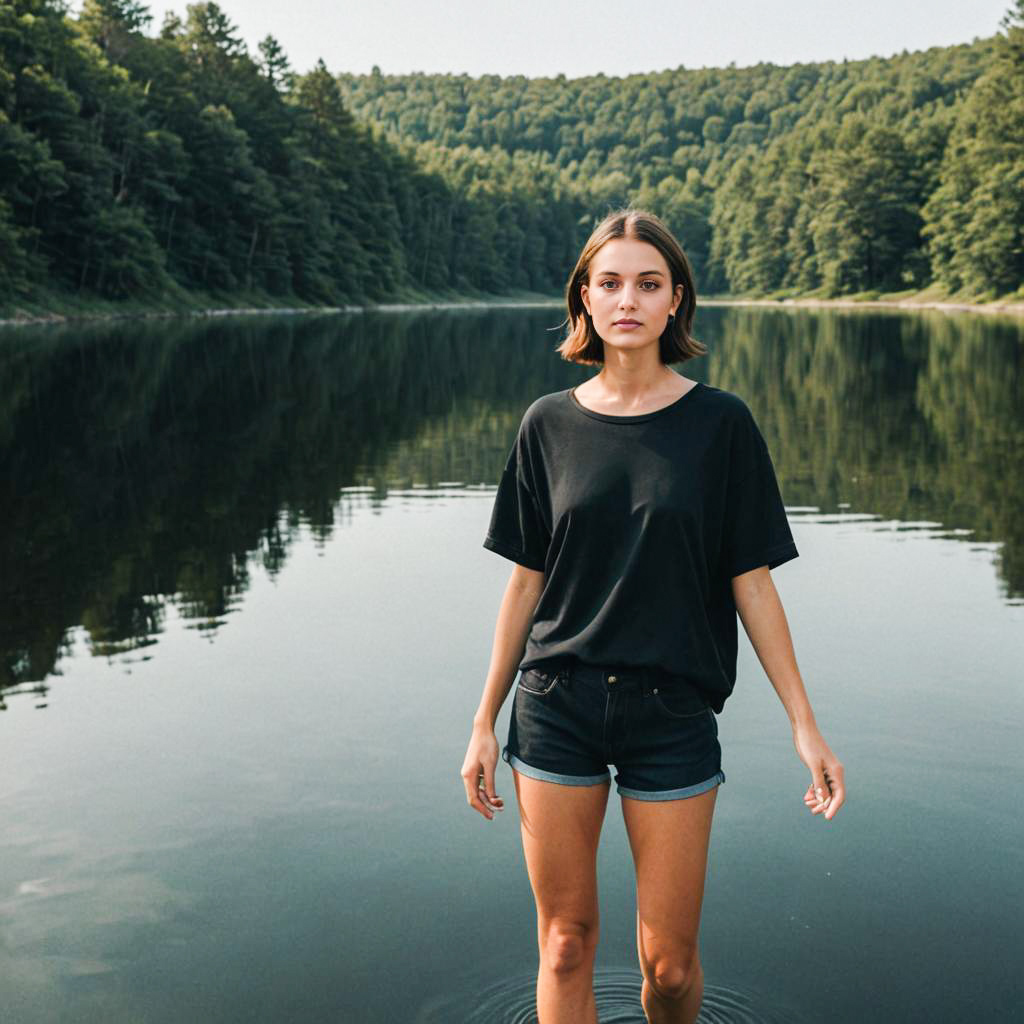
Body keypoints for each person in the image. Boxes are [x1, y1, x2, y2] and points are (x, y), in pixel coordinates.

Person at [461, 206, 845, 1024]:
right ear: (584, 302)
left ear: (677, 302)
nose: (627, 299)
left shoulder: (721, 425)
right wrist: (483, 722)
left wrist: (804, 727)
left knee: (668, 968)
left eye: (648, 283)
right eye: (609, 283)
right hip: (555, 704)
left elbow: (754, 585)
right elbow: (525, 585)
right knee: (565, 941)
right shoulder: (547, 425)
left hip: (672, 712)